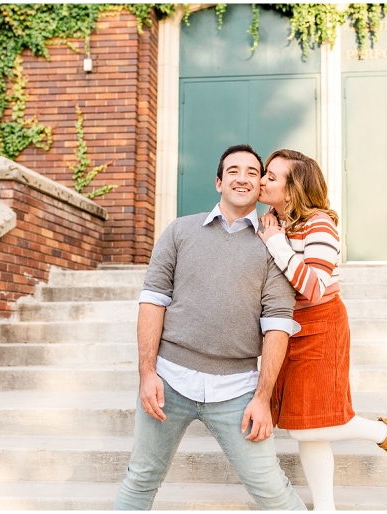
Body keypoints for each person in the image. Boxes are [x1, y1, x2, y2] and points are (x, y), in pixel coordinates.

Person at [114, 144, 306, 511]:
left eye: (253, 172)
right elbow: (153, 301)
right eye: (233, 170)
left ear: (261, 186)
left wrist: (263, 398)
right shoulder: (180, 231)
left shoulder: (274, 247)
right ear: (219, 182)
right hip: (169, 382)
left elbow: (278, 326)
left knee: (273, 492)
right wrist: (146, 372)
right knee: (140, 479)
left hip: (237, 392)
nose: (243, 177)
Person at [257, 149, 387, 511]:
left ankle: (386, 434)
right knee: (306, 424)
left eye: (272, 176)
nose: (262, 180)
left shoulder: (319, 225)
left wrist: (276, 244)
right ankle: (325, 508)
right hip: (285, 329)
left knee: (307, 425)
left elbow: (312, 287)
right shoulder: (270, 222)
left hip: (320, 325)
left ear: (293, 188)